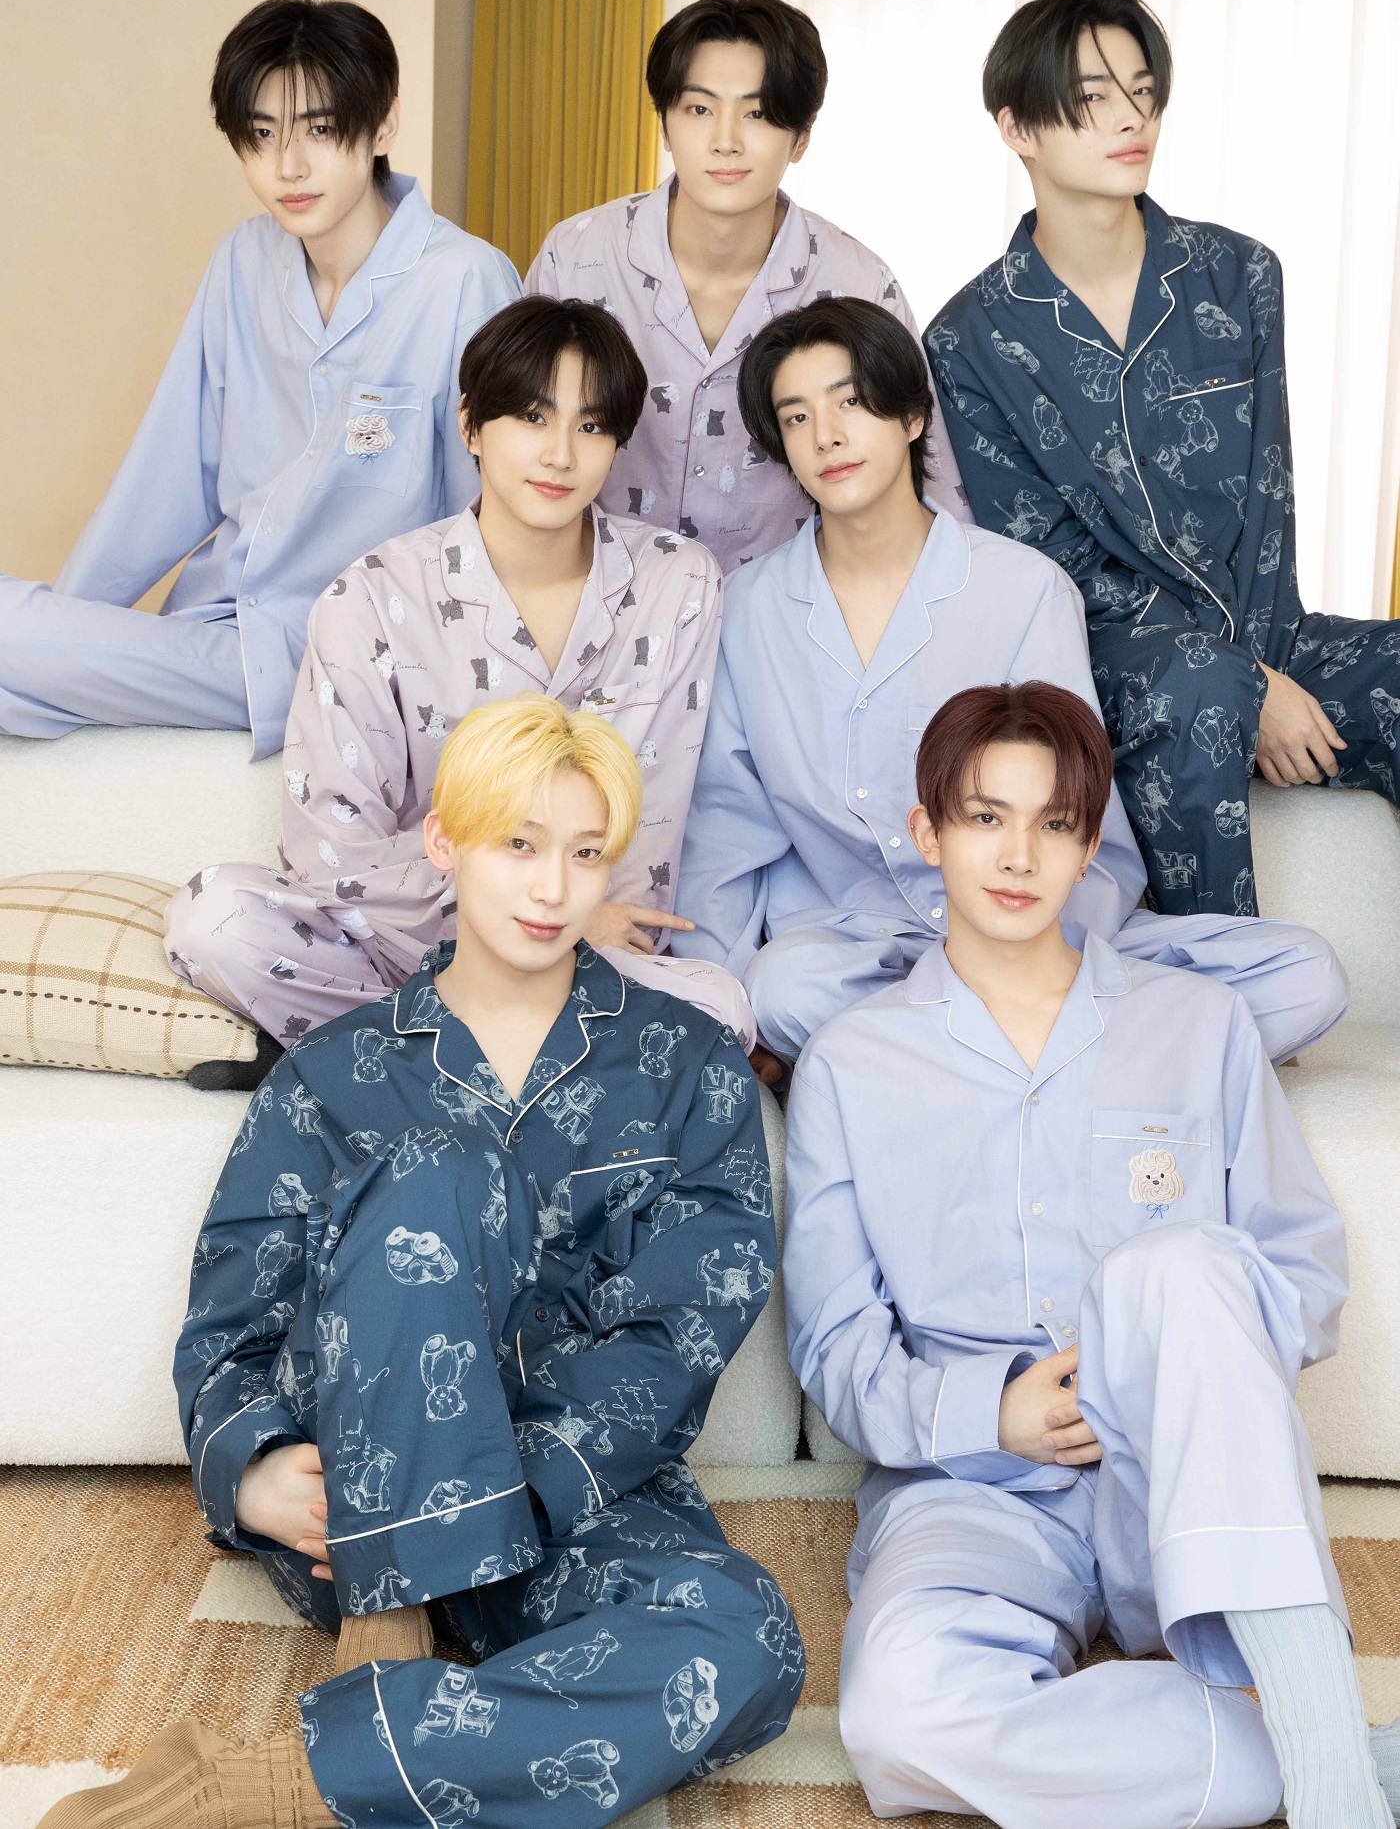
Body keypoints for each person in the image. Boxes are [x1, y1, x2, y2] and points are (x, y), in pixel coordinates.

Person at [42, 696, 802, 1829]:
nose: (551, 888)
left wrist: (509, 1490)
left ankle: (269, 1785)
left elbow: (682, 1331)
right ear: (445, 843)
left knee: (748, 1643)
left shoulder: (685, 1065)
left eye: (584, 854)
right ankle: (390, 1628)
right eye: (518, 845)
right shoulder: (328, 1073)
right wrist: (253, 1471)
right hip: (353, 1508)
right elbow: (231, 1327)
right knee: (443, 1168)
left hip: (570, 1495)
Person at [784, 680, 1400, 1829]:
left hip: (1179, 1472)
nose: (1018, 856)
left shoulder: (1197, 1025)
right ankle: (1329, 1755)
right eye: (984, 817)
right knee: (898, 1718)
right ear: (926, 833)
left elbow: (1300, 1270)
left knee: (1171, 1268)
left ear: (1087, 848)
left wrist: (1173, 1360)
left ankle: (1322, 1767)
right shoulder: (848, 1066)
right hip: (973, 1489)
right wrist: (993, 1410)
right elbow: (835, 1350)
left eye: (1053, 823)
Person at [674, 296, 1345, 1074]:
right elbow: (725, 832)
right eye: (796, 417)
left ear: (912, 417)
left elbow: (1080, 811)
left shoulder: (1025, 589)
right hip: (862, 955)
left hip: (1039, 937)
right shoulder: (748, 608)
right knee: (782, 987)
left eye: (850, 402)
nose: (826, 435)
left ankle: (944, 1064)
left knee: (1305, 974)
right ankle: (1063, 1065)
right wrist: (724, 1014)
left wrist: (1027, 954)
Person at [166, 296, 750, 1086]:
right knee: (215, 919)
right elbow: (331, 851)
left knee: (721, 1010)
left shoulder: (676, 583)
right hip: (412, 946)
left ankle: (391, 1063)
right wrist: (496, 905)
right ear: (471, 425)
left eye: (589, 426)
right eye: (532, 418)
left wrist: (569, 916)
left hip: (588, 946)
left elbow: (648, 821)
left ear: (617, 443)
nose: (560, 454)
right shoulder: (371, 597)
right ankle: (501, 1064)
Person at [925, 0, 1400, 916]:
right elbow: (1049, 561)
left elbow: (1269, 499)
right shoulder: (970, 339)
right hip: (1117, 664)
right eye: (1093, 98)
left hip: (1266, 631)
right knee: (1199, 685)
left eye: (1143, 92)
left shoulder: (1238, 276)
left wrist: (1265, 664)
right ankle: (1225, 986)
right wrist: (1247, 684)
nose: (1130, 118)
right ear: (1017, 128)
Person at [0, 0, 519, 756]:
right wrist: (72, 632)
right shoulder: (242, 262)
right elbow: (169, 474)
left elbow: (494, 517)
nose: (288, 167)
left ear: (383, 126)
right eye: (263, 134)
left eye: (320, 130)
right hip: (214, 626)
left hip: (341, 650)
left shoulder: (464, 281)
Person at [526, 0, 966, 572]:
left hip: (789, 611)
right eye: (699, 109)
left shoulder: (858, 280)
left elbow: (924, 476)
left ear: (801, 137)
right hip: (597, 604)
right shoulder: (576, 257)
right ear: (665, 125)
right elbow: (514, 440)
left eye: (756, 114)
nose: (725, 140)